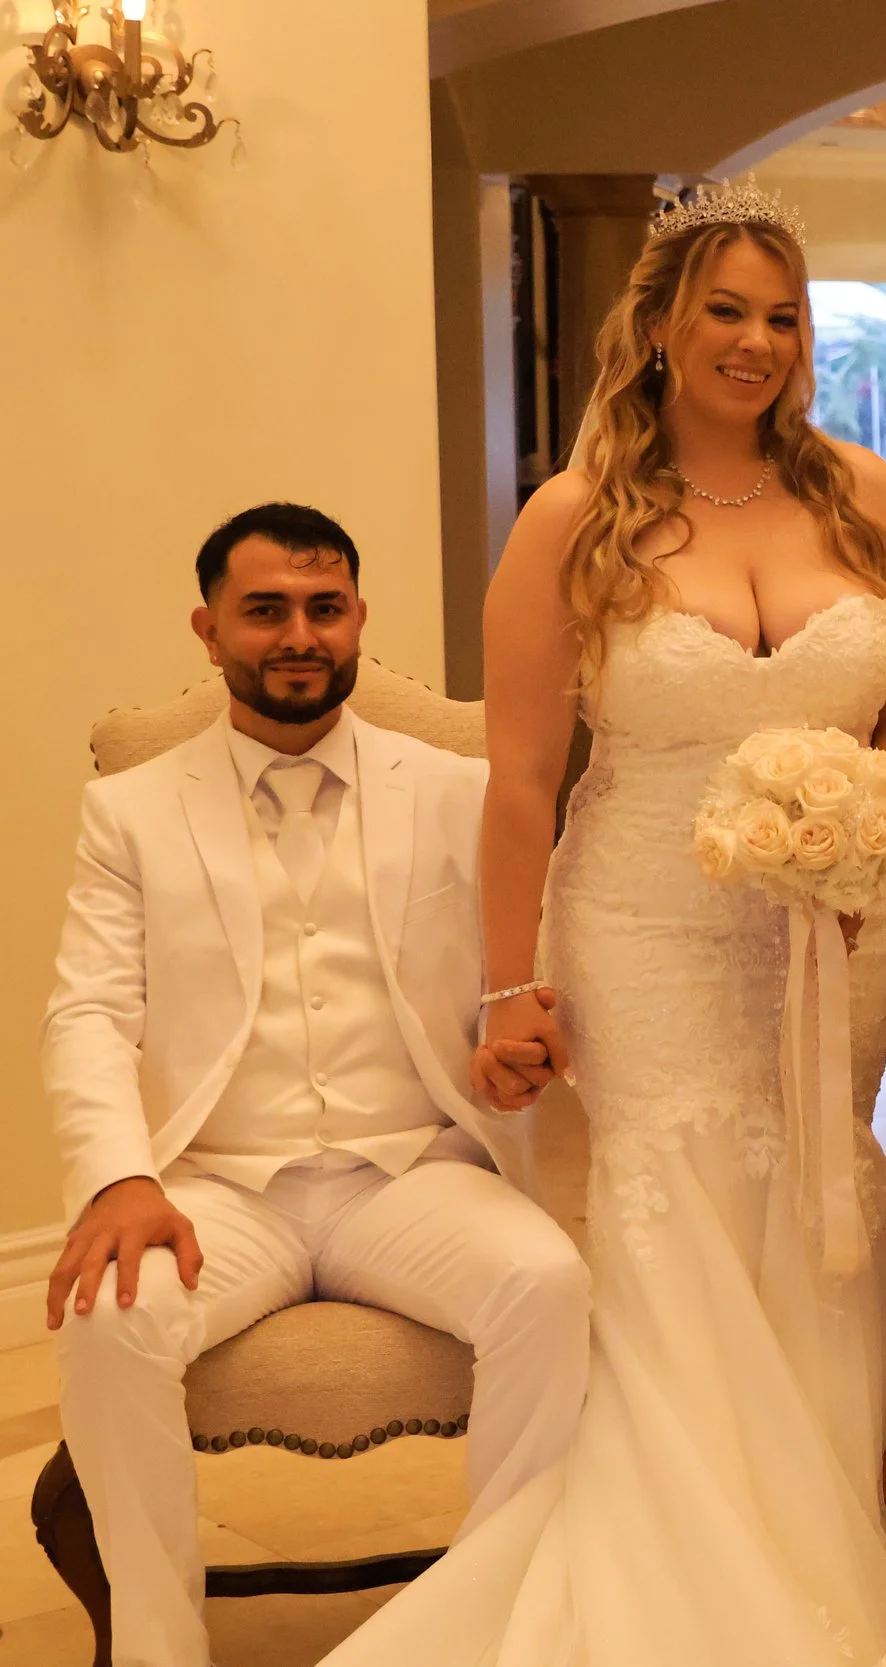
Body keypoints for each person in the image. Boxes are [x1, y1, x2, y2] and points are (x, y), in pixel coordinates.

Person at [319, 183, 886, 1666]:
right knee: (681, 1216)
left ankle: (815, 1513)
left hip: (831, 933)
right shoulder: (575, 517)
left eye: (782, 316)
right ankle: (708, 1585)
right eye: (725, 309)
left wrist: (876, 822)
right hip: (645, 928)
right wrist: (510, 989)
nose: (756, 341)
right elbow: (522, 781)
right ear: (660, 323)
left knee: (816, 1202)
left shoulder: (864, 495)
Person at [42, 504, 592, 1667]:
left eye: (323, 608)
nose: (299, 634)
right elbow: (88, 1009)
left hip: (411, 1171)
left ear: (357, 620)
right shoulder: (131, 809)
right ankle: (157, 1648)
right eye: (266, 610)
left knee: (545, 1282)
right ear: (209, 630)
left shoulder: (461, 787)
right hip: (217, 1187)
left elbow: (529, 976)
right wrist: (120, 1178)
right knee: (109, 1319)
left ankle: (500, 1619)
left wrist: (524, 1042)